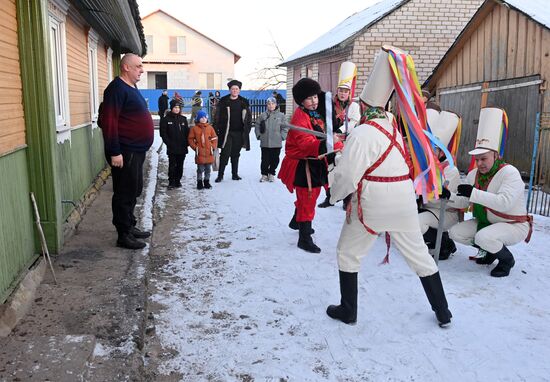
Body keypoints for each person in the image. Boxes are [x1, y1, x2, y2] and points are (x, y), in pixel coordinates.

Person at [326, 46, 452, 327]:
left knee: (348, 253)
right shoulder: (395, 128)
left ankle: (349, 310)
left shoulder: (362, 133)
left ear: (364, 105)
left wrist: (333, 195)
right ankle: (443, 312)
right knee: (419, 256)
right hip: (404, 201)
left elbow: (347, 177)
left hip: (373, 202)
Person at [449, 107, 532, 277]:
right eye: (477, 159)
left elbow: (504, 202)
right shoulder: (474, 174)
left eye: (484, 158)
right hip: (486, 222)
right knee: (455, 232)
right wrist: (446, 196)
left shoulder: (510, 173)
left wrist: (473, 193)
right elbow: (465, 202)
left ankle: (507, 260)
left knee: (483, 237)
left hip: (513, 225)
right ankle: (491, 250)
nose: (479, 163)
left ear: (495, 155)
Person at [278, 78, 341, 253]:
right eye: (309, 98)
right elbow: (306, 145)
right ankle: (304, 238)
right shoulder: (299, 118)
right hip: (303, 165)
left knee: (309, 197)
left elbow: (325, 132)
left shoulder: (314, 114)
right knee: (308, 199)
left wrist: (338, 144)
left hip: (315, 161)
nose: (314, 101)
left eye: (315, 97)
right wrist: (328, 144)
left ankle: (296, 221)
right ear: (301, 101)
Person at [100, 53, 154, 250]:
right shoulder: (116, 89)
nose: (142, 70)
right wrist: (115, 151)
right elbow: (109, 122)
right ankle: (123, 235)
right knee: (124, 192)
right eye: (138, 66)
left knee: (134, 189)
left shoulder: (131, 87)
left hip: (136, 150)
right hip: (125, 150)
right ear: (126, 68)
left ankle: (130, 226)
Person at [419, 109, 462, 260]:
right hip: (427, 209)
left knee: (416, 224)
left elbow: (451, 201)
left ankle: (444, 243)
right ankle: (433, 241)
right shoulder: (421, 168)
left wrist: (421, 194)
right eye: (426, 148)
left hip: (445, 213)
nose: (428, 152)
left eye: (433, 149)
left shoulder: (450, 170)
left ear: (442, 153)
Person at [318, 61, 361, 209]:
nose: (343, 93)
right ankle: (330, 197)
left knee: (345, 170)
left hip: (347, 142)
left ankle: (346, 200)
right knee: (330, 168)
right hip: (330, 141)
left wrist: (341, 131)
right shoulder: (330, 104)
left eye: (345, 91)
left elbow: (354, 121)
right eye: (341, 90)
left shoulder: (354, 106)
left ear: (349, 93)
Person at [214, 80, 252, 182]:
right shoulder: (223, 101)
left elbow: (248, 118)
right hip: (226, 132)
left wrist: (246, 130)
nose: (234, 90)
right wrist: (215, 129)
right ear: (230, 90)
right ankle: (220, 175)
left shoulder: (244, 102)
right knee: (225, 154)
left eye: (236, 89)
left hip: (239, 133)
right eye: (233, 89)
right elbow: (217, 116)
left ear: (239, 90)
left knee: (236, 154)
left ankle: (234, 174)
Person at [254, 97, 288, 182]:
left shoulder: (281, 116)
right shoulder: (262, 115)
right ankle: (264, 174)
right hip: (265, 142)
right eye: (269, 104)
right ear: (267, 105)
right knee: (265, 159)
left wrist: (282, 136)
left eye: (273, 103)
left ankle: (271, 173)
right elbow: (257, 126)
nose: (271, 105)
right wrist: (259, 136)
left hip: (276, 142)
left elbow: (285, 128)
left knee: (275, 159)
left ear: (276, 104)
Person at [160, 99, 189, 189]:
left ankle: (178, 181)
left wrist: (186, 143)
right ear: (171, 108)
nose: (177, 109)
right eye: (175, 107)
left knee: (180, 165)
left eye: (178, 108)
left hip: (182, 147)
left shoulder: (183, 119)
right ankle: (171, 181)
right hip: (172, 147)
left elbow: (187, 133)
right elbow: (163, 133)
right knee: (172, 165)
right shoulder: (166, 119)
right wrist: (169, 143)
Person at [188, 110, 218, 190]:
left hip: (209, 153)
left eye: (205, 117)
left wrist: (213, 146)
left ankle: (207, 181)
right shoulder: (194, 129)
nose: (204, 119)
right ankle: (199, 182)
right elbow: (190, 139)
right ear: (198, 119)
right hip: (200, 153)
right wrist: (195, 147)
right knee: (200, 169)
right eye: (202, 117)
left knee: (208, 169)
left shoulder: (210, 128)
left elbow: (214, 138)